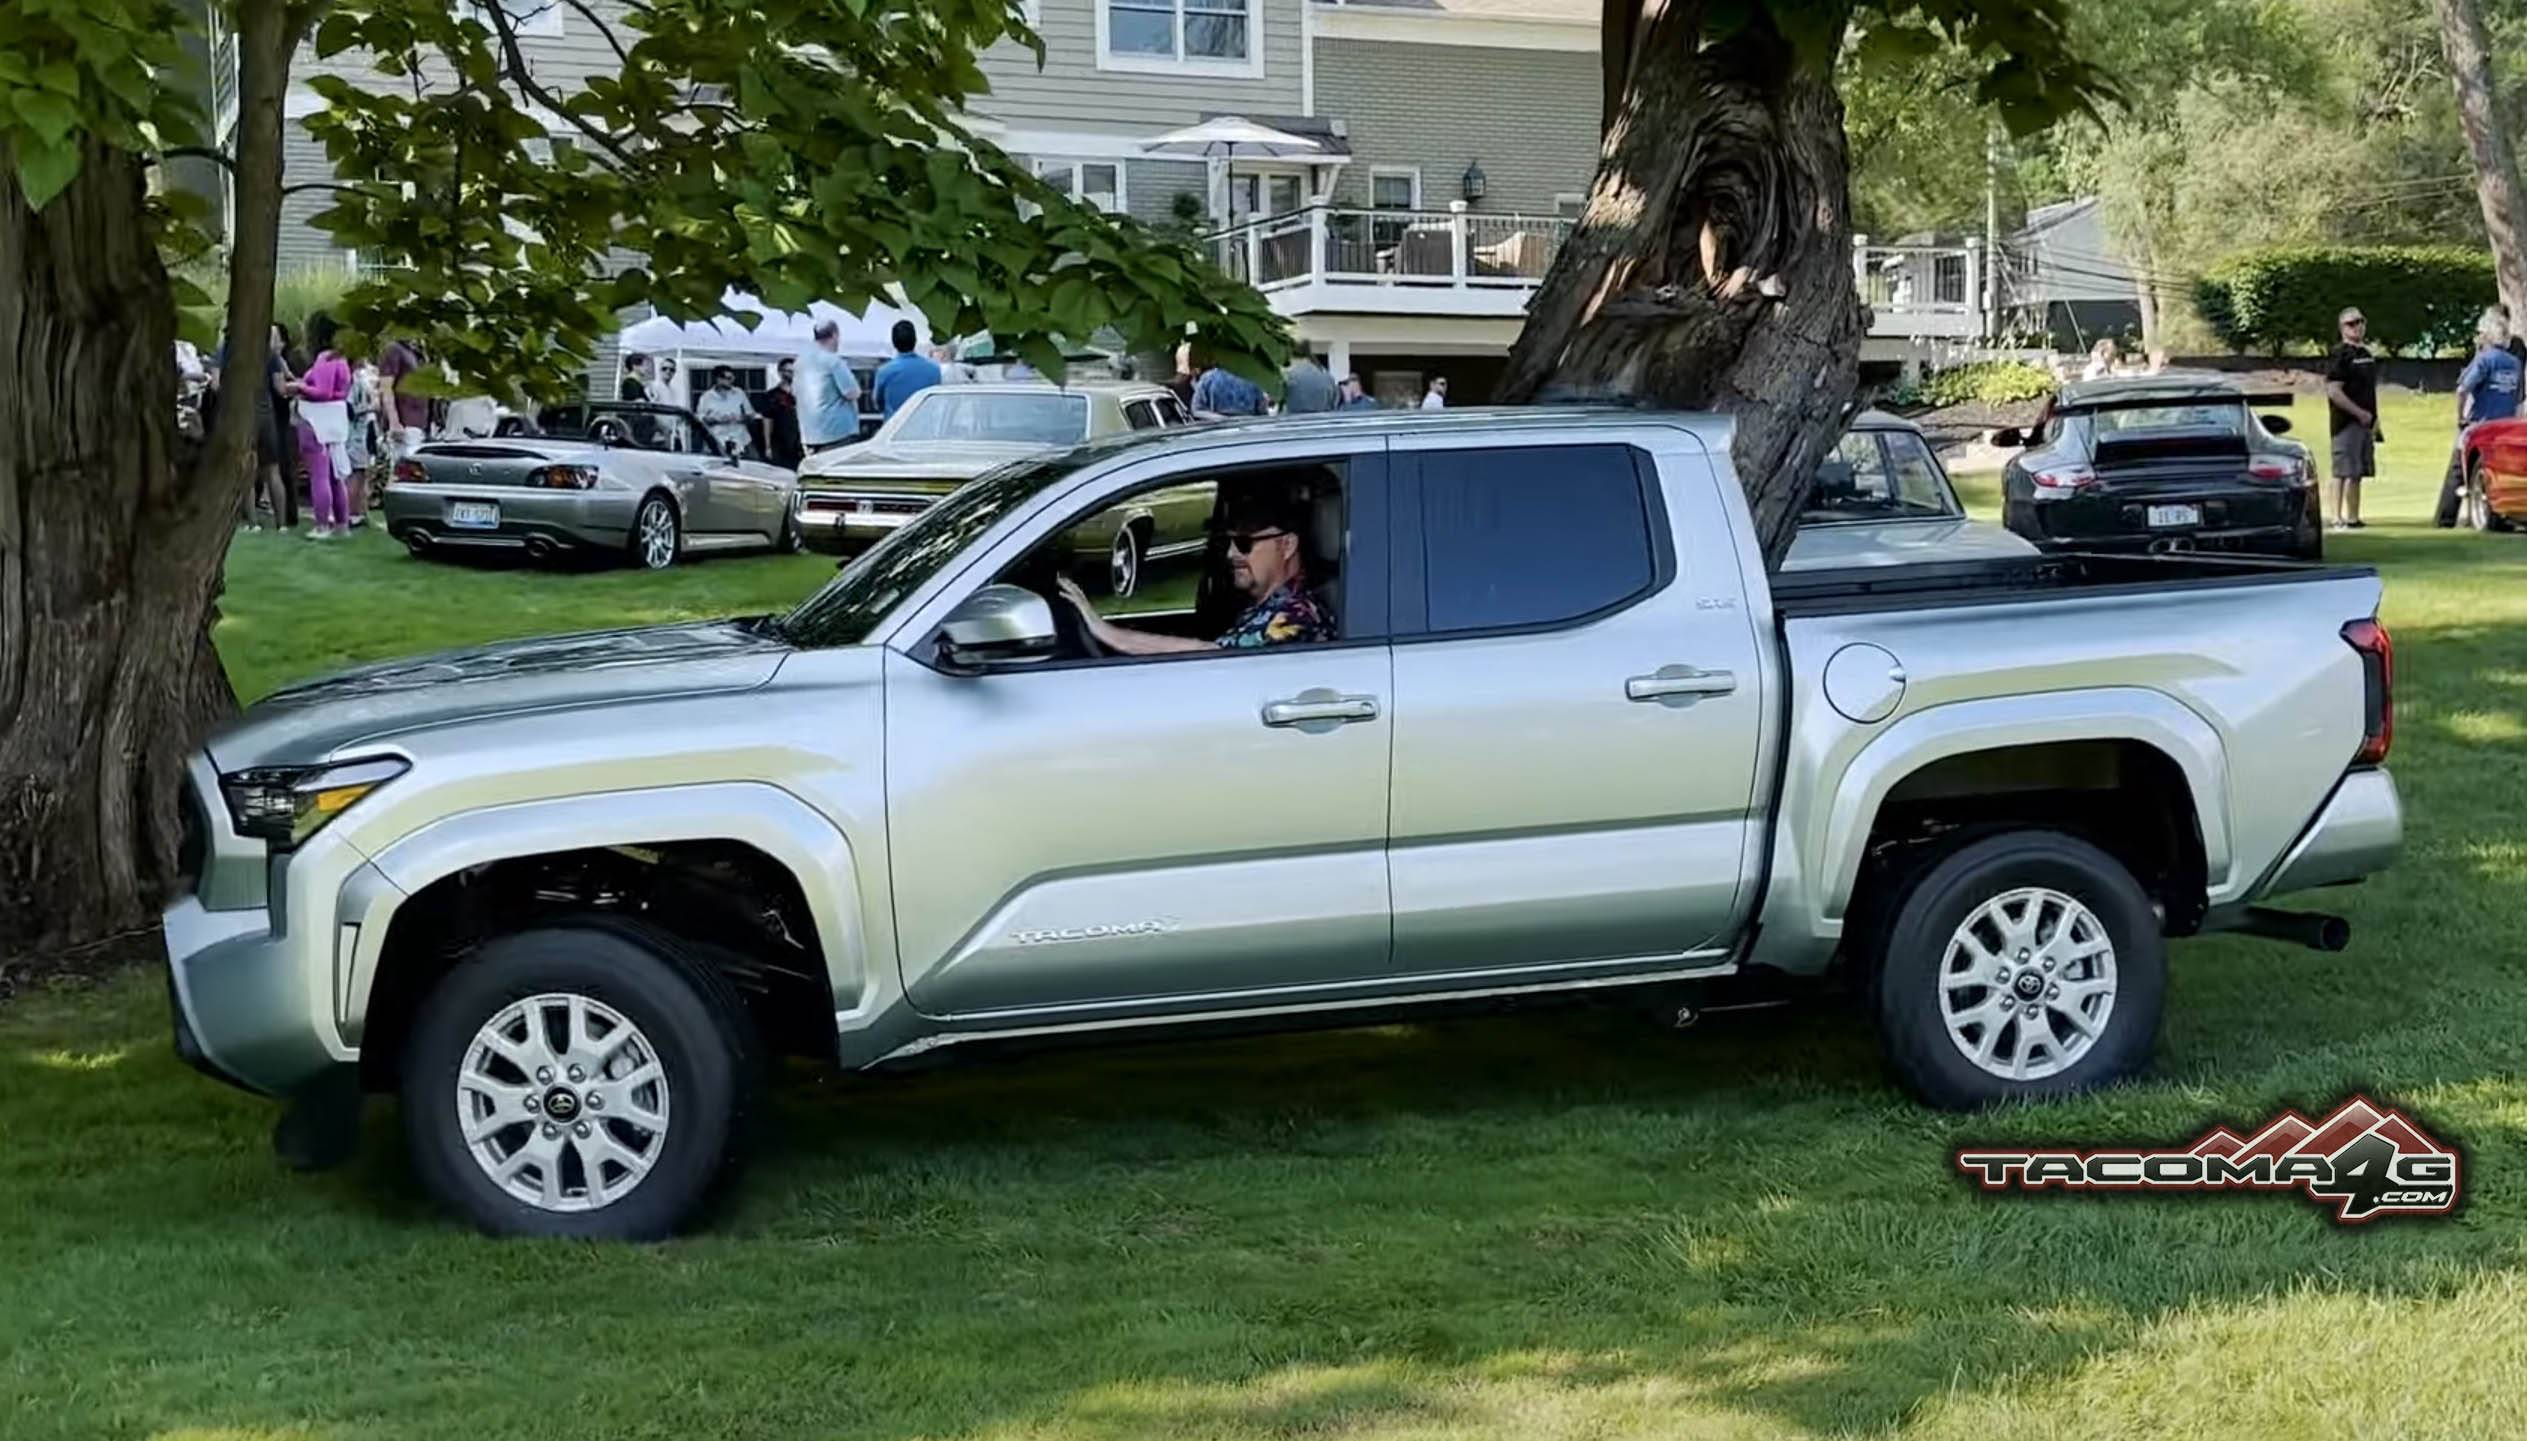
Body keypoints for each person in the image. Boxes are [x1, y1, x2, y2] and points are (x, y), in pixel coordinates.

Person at [1054, 490, 1332, 654]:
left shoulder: (1297, 617)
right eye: (1229, 543)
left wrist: (1108, 634)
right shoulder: (1268, 606)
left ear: (1287, 545)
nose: (1231, 554)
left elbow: (1210, 657)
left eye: (1244, 544)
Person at [2437, 305, 2524, 526]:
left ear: (2487, 333)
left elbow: (2462, 389)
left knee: (2459, 470)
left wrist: (2460, 417)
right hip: (2504, 428)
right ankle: (2496, 514)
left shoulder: (2485, 360)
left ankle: (2445, 519)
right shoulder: (2514, 364)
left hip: (2479, 425)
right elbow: (2517, 395)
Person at [293, 313, 356, 538]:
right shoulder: (341, 360)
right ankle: (342, 524)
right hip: (335, 419)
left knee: (319, 475)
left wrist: (298, 387)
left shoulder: (325, 359)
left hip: (316, 420)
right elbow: (338, 392)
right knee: (335, 474)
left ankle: (322, 525)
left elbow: (322, 392)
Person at [2325, 307, 2381, 531]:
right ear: (2342, 328)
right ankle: (2336, 517)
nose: (2357, 326)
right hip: (2345, 422)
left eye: (2360, 321)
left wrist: (2374, 420)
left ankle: (2353, 517)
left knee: (2357, 472)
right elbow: (2334, 390)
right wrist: (2358, 413)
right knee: (2342, 471)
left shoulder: (2366, 355)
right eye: (2351, 323)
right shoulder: (2341, 354)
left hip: (2366, 423)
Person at [796, 319, 863, 453]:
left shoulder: (800, 362)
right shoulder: (833, 361)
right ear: (835, 335)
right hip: (837, 433)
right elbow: (852, 393)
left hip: (809, 434)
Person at [378, 334, 430, 472]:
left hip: (418, 422)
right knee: (404, 469)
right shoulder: (394, 349)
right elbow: (386, 387)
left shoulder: (416, 351)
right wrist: (394, 421)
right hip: (404, 421)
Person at [872, 319, 943, 417]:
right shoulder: (934, 370)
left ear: (893, 342)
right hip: (926, 426)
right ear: (915, 340)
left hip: (895, 427)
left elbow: (877, 403)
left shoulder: (885, 371)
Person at [696, 365, 760, 456]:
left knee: (755, 464)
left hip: (741, 439)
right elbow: (700, 420)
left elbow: (751, 415)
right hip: (718, 441)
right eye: (728, 378)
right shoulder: (706, 397)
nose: (732, 381)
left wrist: (740, 418)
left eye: (732, 377)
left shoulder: (739, 393)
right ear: (719, 379)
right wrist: (717, 420)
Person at [1191, 359, 1269, 418]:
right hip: (1247, 429)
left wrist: (1220, 419)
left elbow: (1197, 410)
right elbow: (1262, 411)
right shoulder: (1252, 378)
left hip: (1218, 431)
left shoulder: (1208, 378)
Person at [763, 357, 804, 468]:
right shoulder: (771, 395)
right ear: (781, 372)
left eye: (794, 371)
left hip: (801, 440)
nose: (791, 374)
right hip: (781, 441)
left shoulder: (803, 392)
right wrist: (768, 446)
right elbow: (767, 421)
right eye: (789, 371)